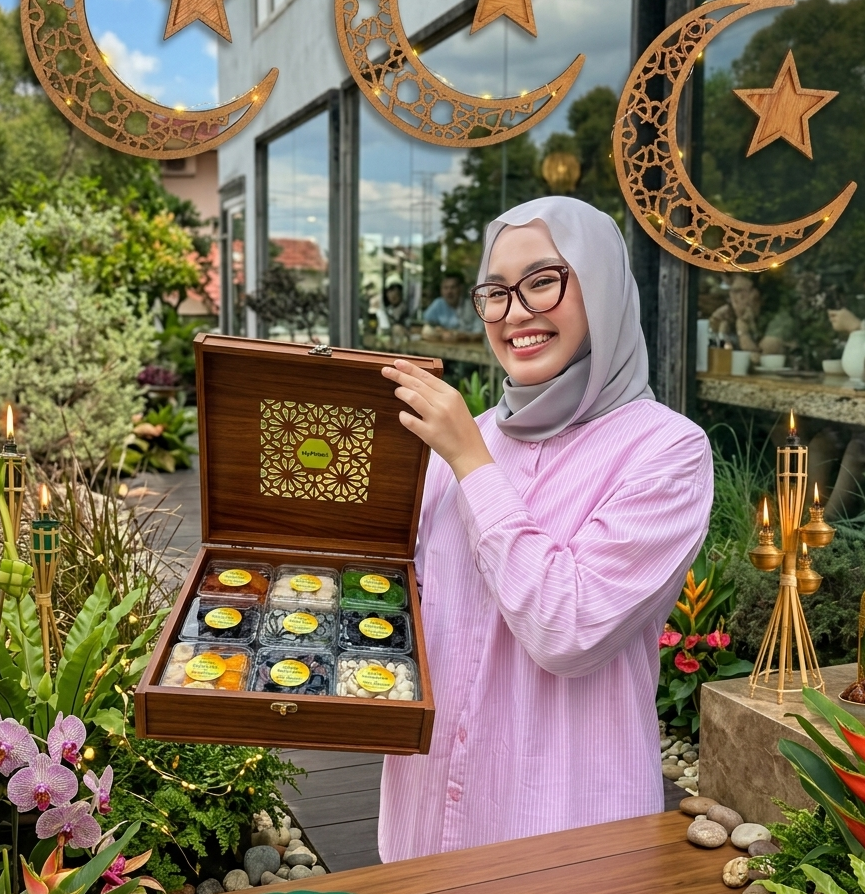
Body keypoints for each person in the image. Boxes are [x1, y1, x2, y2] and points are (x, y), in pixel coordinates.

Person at [379, 197, 713, 860]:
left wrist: (471, 465)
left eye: (542, 281)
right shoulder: (463, 441)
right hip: (424, 820)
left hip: (563, 832)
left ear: (601, 287)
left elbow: (568, 628)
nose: (514, 312)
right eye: (496, 292)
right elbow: (406, 602)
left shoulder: (665, 451)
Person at [422, 271, 484, 338]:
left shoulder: (472, 307)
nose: (449, 292)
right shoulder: (438, 304)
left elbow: (480, 333)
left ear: (460, 288)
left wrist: (459, 336)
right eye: (445, 288)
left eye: (453, 287)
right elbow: (425, 325)